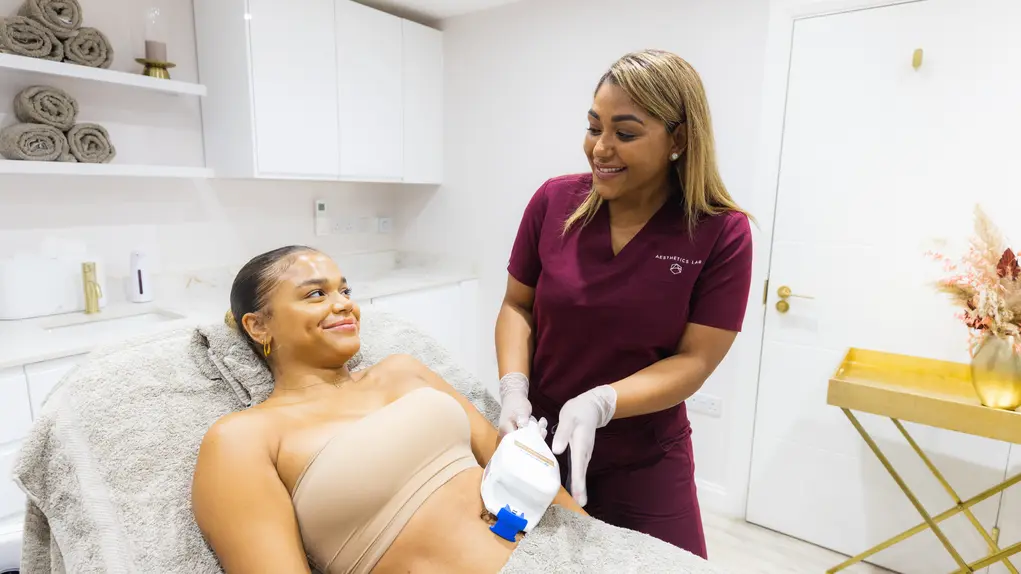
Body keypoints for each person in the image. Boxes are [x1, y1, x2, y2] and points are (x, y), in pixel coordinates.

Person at [495, 49, 754, 558]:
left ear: (678, 139)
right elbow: (516, 306)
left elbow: (696, 359)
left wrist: (604, 402)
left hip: (645, 458)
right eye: (594, 127)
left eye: (626, 133)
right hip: (542, 443)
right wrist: (512, 387)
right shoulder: (553, 203)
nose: (600, 148)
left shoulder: (720, 233)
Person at [191, 246, 591, 574]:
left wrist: (601, 542)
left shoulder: (403, 371)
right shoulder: (242, 439)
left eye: (345, 292)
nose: (344, 305)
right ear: (259, 327)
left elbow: (519, 467)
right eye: (316, 294)